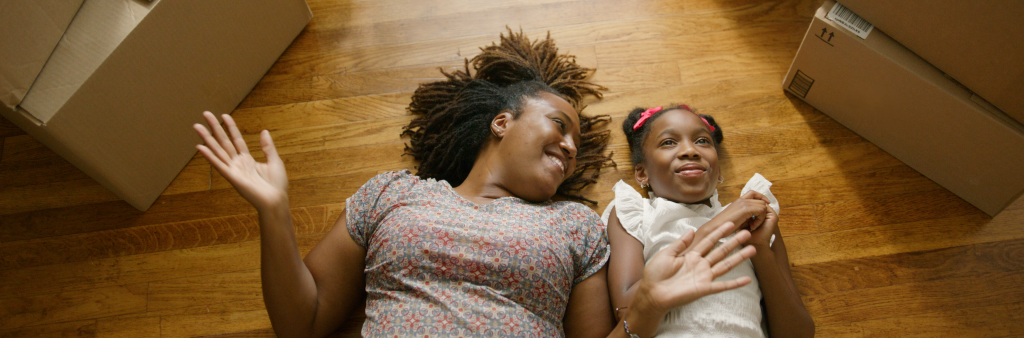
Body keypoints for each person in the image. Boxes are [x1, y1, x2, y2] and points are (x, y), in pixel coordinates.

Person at [192, 30, 758, 338]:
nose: (569, 145)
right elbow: (303, 324)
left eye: (578, 143)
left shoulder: (577, 226)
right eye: (559, 126)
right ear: (502, 122)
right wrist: (274, 211)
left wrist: (647, 308)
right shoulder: (393, 194)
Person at [604, 105, 815, 337]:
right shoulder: (634, 213)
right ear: (642, 173)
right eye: (668, 142)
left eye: (703, 141)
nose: (690, 151)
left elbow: (799, 332)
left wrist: (760, 248)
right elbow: (626, 312)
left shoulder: (752, 217)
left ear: (719, 170)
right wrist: (718, 225)